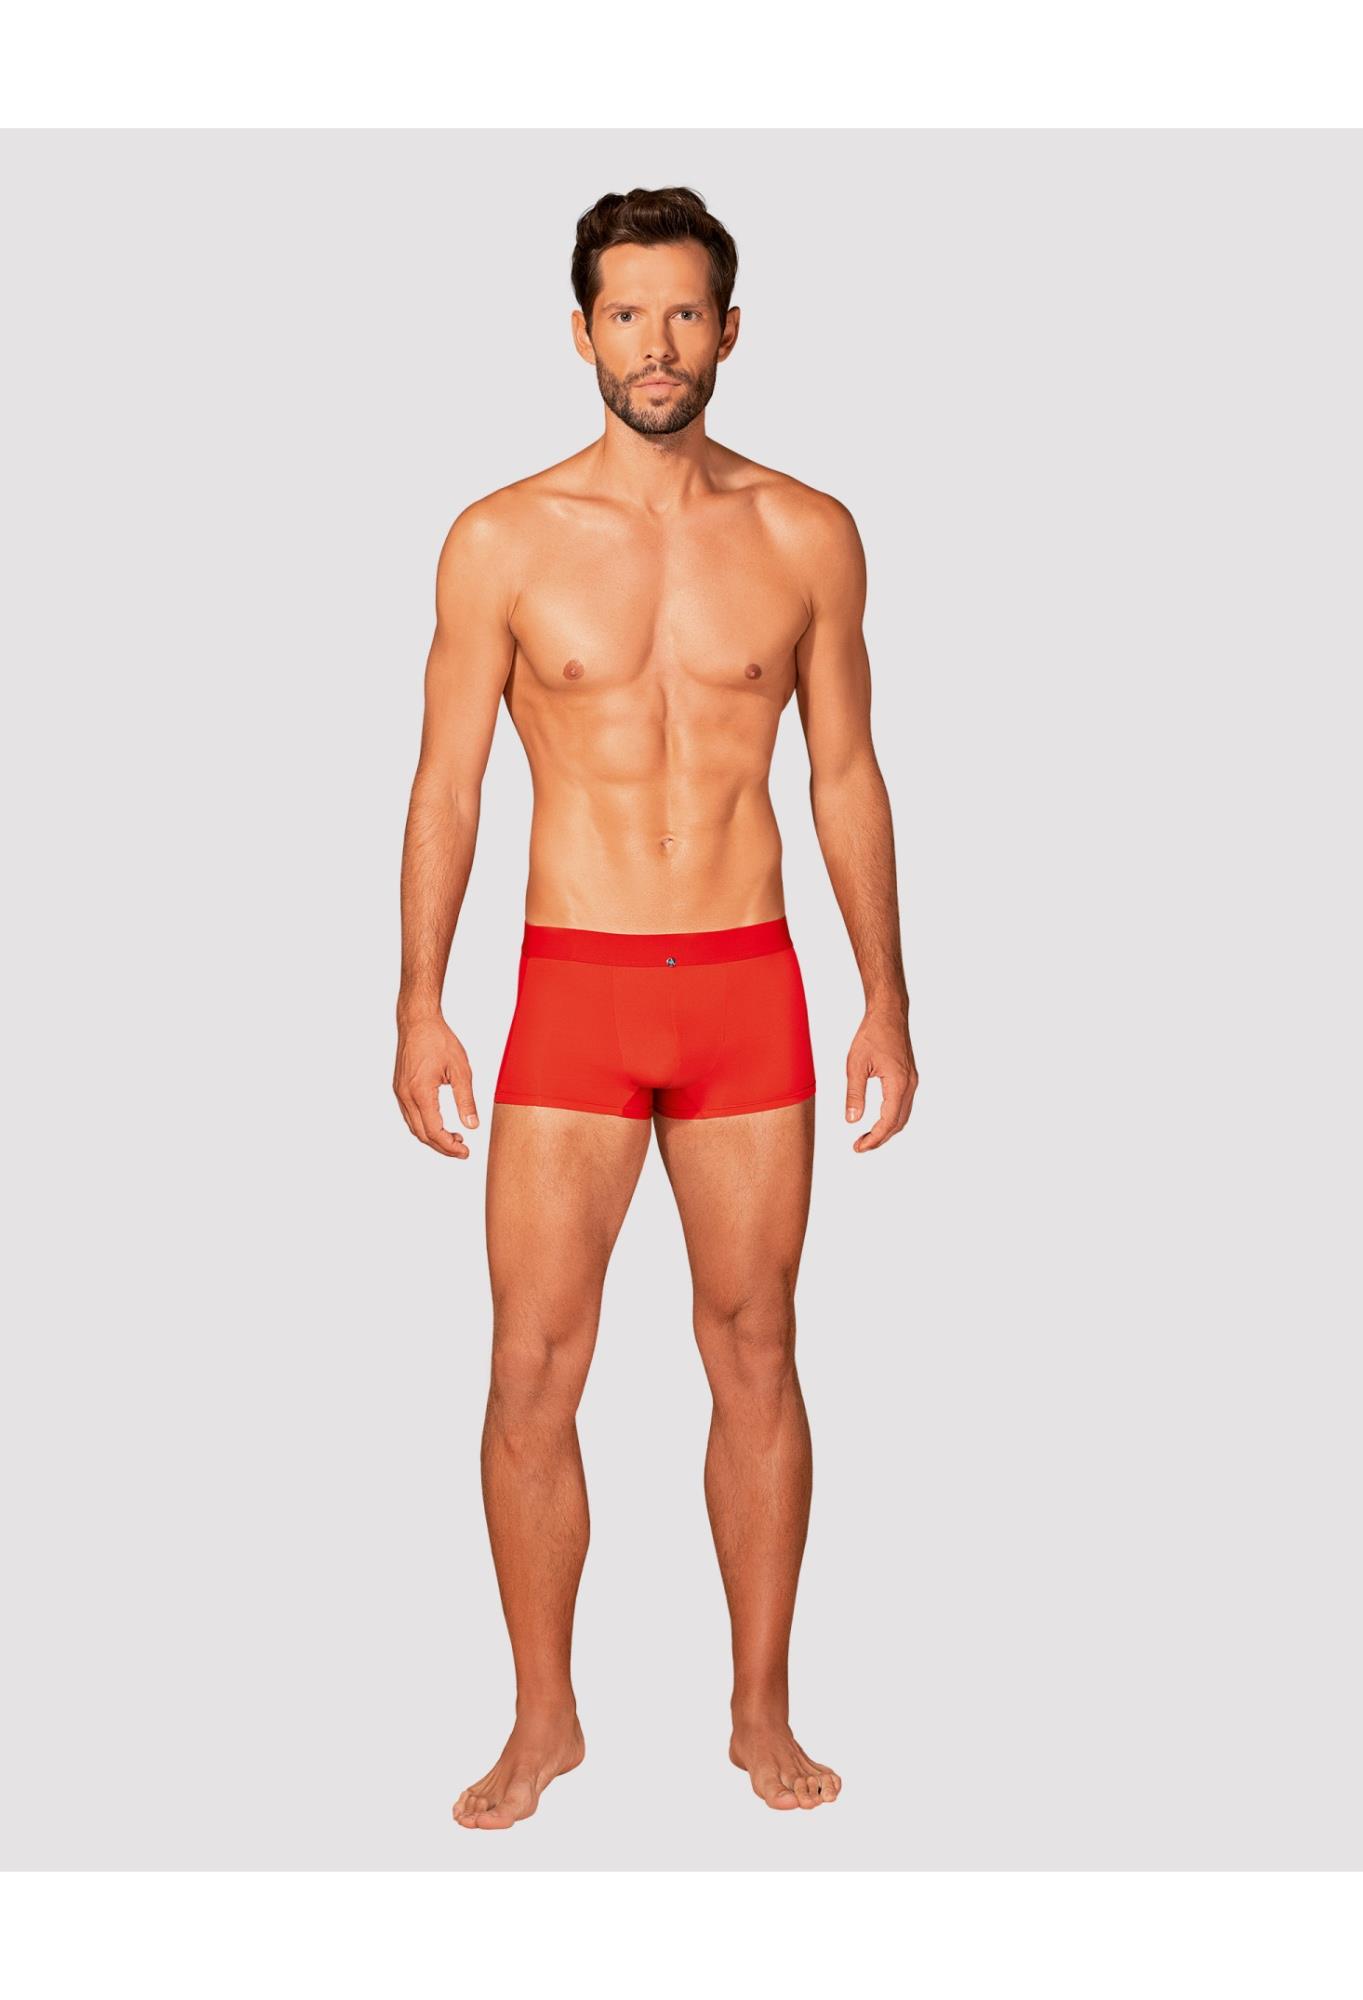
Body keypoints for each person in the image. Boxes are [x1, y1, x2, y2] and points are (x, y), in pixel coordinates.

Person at [394, 186, 918, 1829]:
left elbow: (846, 774)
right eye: (627, 314)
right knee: (530, 1369)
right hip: (576, 989)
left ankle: (761, 1714)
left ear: (730, 330)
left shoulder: (808, 532)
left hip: (749, 986)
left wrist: (887, 999)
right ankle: (543, 1719)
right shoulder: (501, 539)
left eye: (685, 312)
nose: (657, 343)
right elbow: (447, 786)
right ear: (581, 333)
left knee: (757, 1351)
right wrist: (419, 1004)